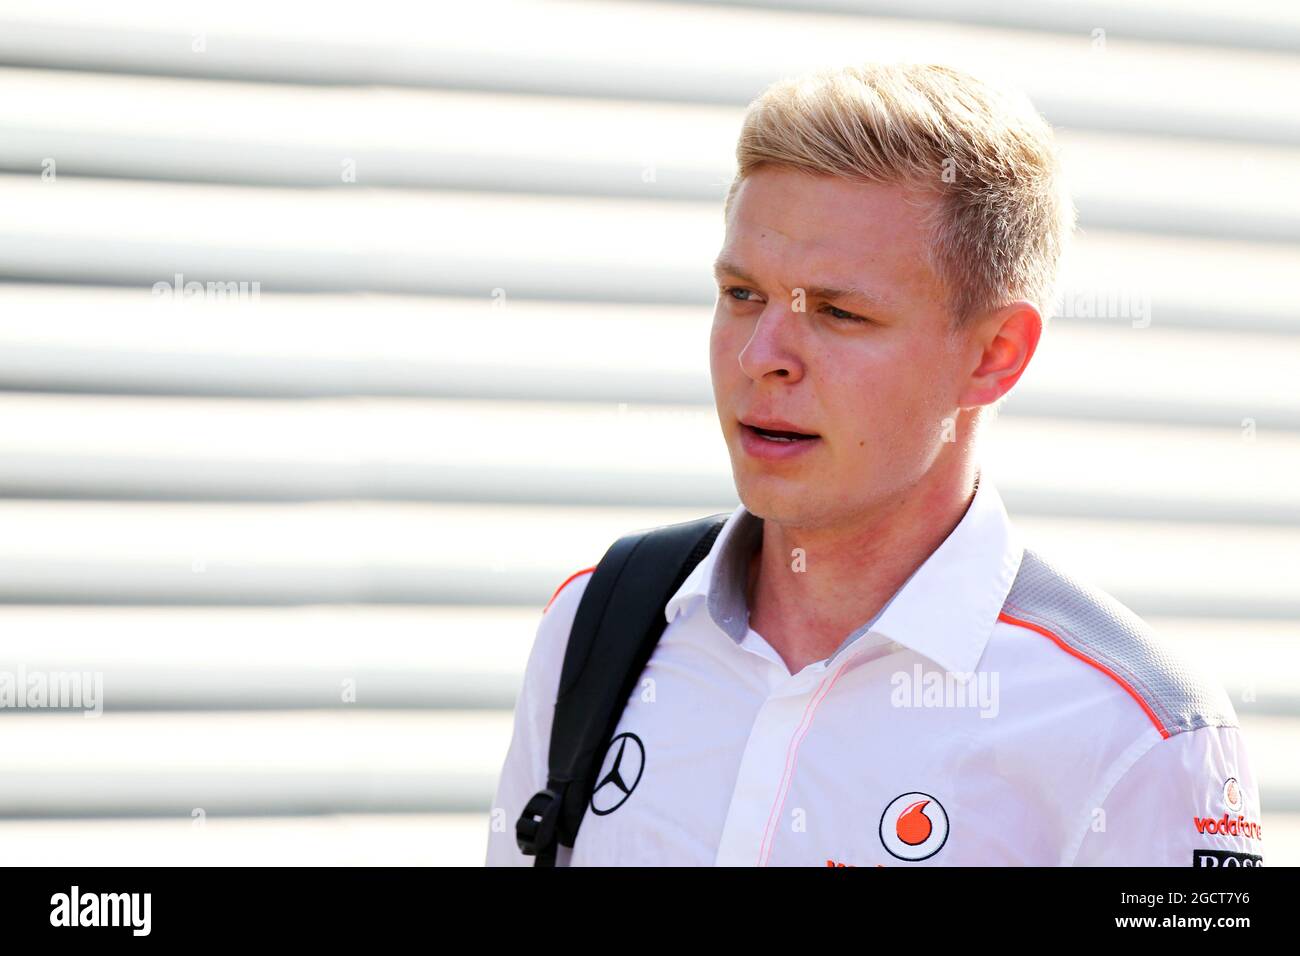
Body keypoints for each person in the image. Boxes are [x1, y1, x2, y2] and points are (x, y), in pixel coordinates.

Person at [486, 62, 1263, 866]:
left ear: (994, 355)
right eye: (743, 293)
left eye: (837, 312)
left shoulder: (1142, 733)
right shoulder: (600, 620)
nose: (762, 357)